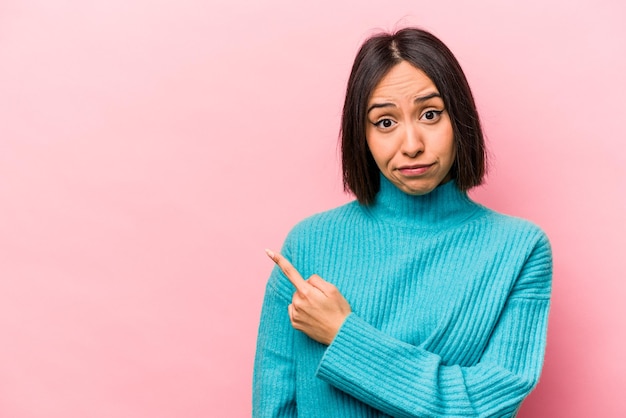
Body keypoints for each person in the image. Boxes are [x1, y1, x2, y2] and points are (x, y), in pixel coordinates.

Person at [253, 27, 552, 417]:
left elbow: (483, 408)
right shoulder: (308, 244)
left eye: (430, 114)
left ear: (459, 118)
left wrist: (344, 337)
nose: (411, 144)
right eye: (385, 122)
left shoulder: (519, 249)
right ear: (361, 135)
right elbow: (275, 407)